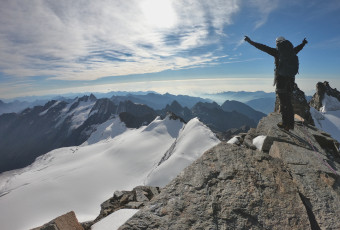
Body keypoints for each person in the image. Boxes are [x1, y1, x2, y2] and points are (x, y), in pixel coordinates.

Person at [244, 36, 308, 131]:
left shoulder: (277, 52)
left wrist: (250, 41)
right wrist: (303, 43)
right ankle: (290, 124)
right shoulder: (292, 51)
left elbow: (262, 47)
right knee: (288, 102)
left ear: (278, 43)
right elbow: (299, 48)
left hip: (281, 80)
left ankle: (286, 124)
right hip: (291, 80)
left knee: (283, 102)